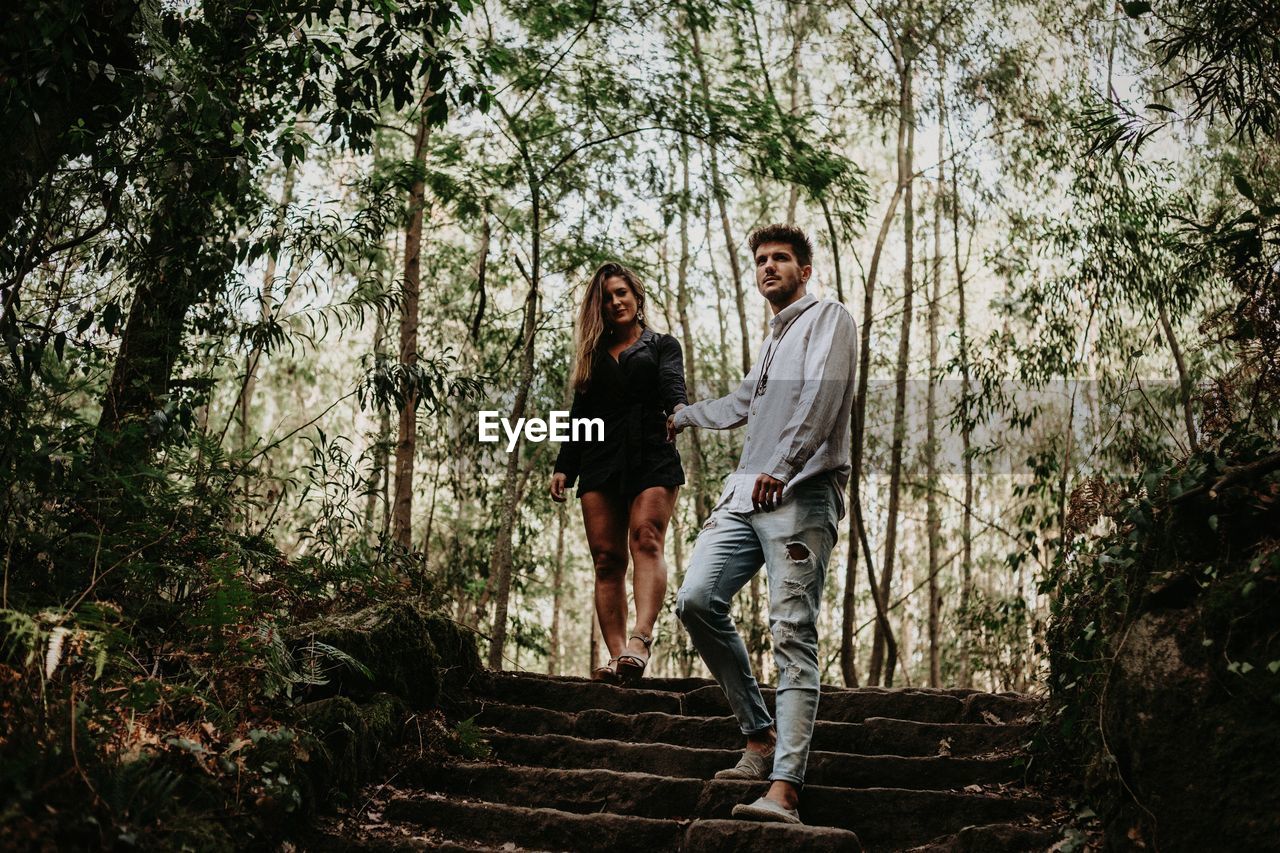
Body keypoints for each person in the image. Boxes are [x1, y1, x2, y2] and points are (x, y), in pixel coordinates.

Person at [667, 224, 856, 824]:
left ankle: (785, 789)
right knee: (696, 599)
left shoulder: (829, 317)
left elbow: (824, 399)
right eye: (761, 260)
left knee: (791, 633)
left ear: (805, 269)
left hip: (800, 493)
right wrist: (683, 416)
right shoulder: (774, 338)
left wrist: (785, 464)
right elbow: (744, 402)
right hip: (746, 494)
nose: (768, 267)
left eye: (780, 259)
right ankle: (758, 732)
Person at [551, 262, 687, 684]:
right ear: (599, 306)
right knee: (607, 559)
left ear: (636, 295)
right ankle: (616, 658)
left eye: (621, 293)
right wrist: (564, 466)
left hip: (651, 452)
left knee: (646, 537)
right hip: (599, 458)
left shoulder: (663, 344)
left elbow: (672, 385)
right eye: (607, 297)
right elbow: (580, 415)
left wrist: (680, 410)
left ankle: (640, 641)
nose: (615, 302)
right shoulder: (591, 358)